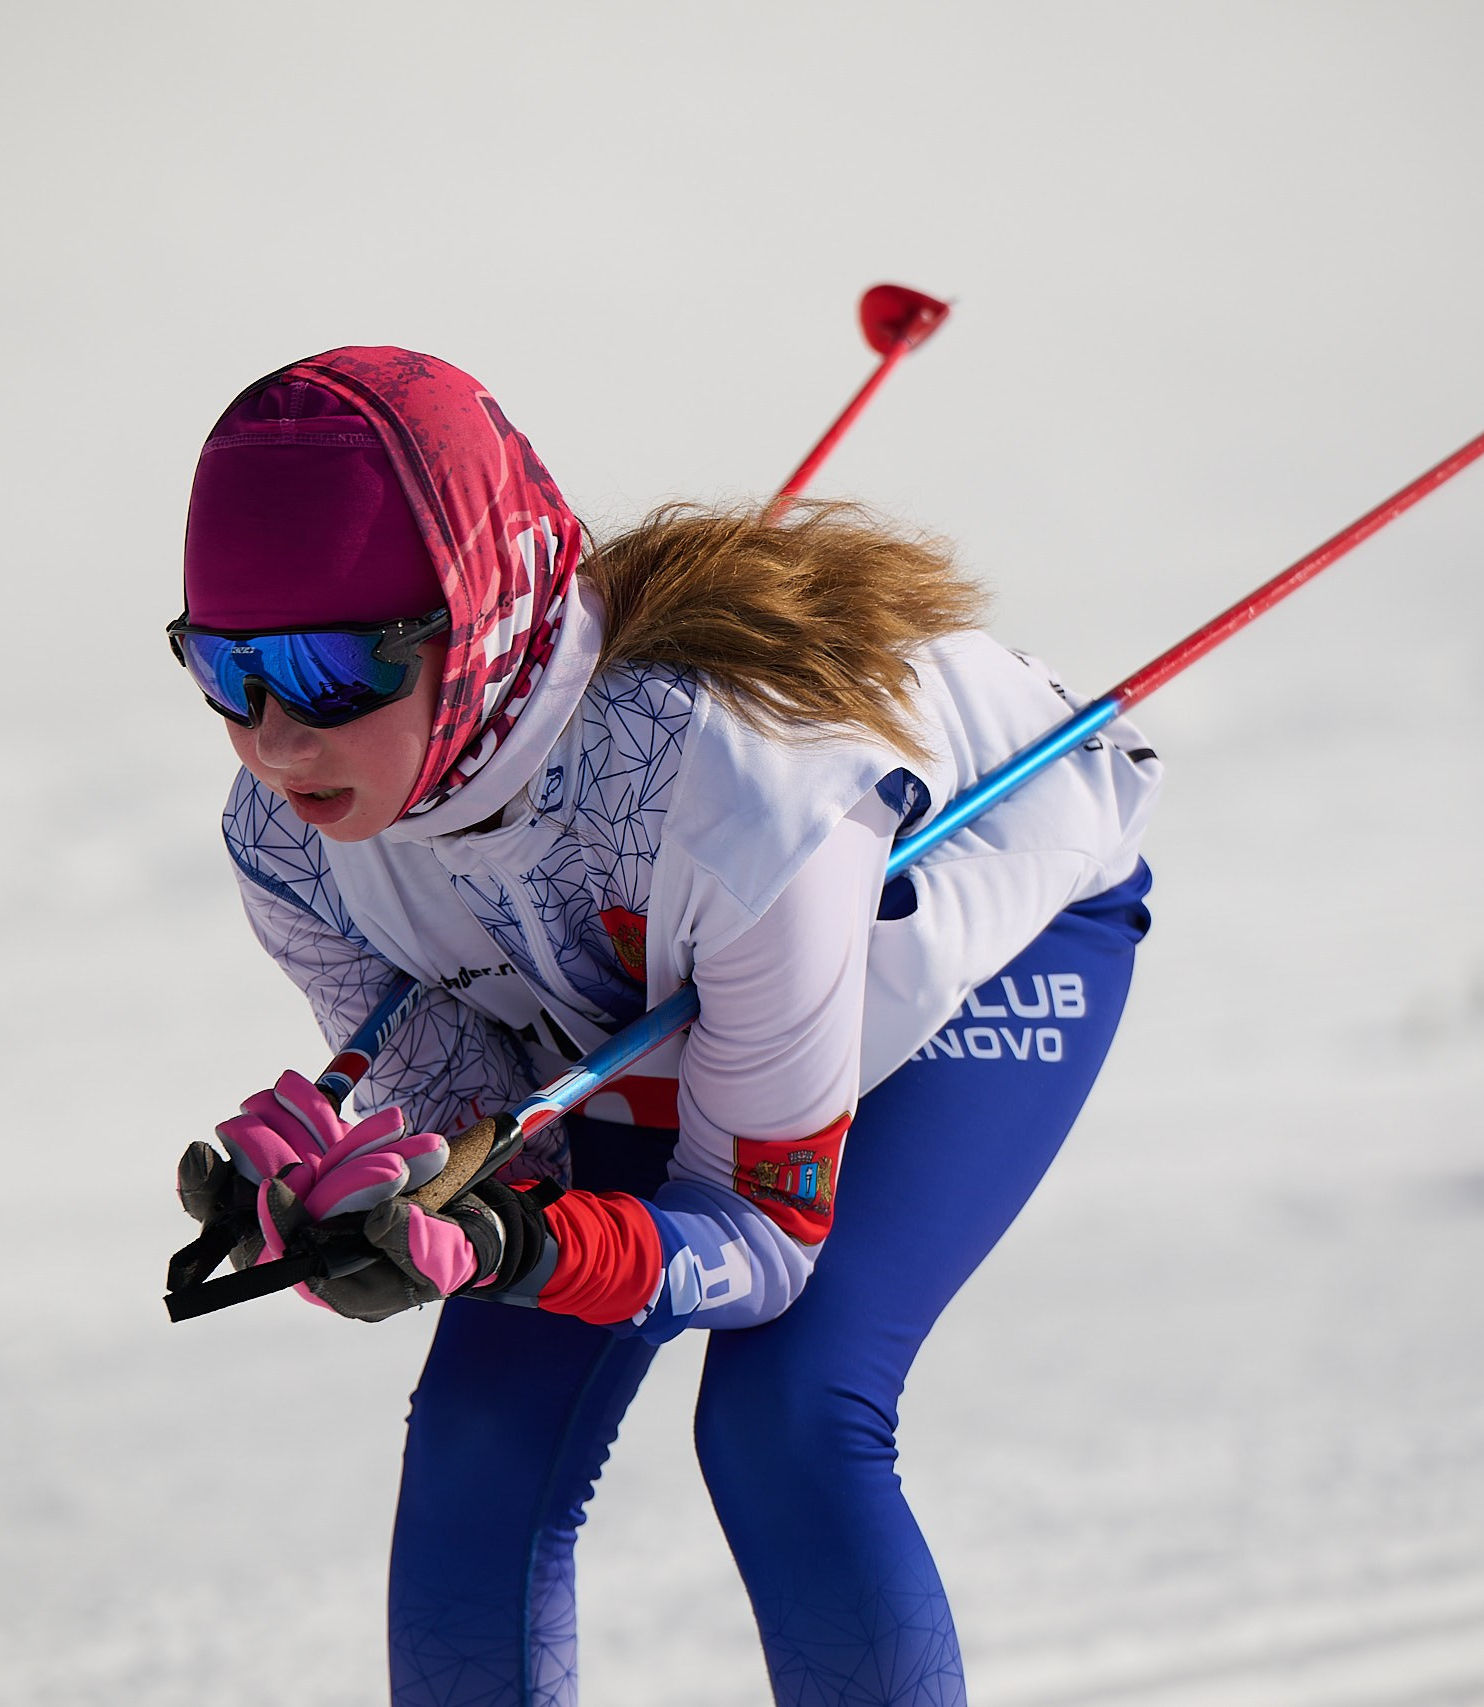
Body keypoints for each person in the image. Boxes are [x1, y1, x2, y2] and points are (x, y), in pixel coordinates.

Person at [168, 345, 1161, 1707]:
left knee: (787, 1418)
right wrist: (400, 1206)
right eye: (225, 671)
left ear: (479, 621)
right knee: (480, 1435)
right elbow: (490, 1128)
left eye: (333, 669)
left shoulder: (738, 804)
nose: (275, 739)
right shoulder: (292, 848)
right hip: (660, 989)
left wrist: (519, 1244)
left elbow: (758, 1241)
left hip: (957, 947)